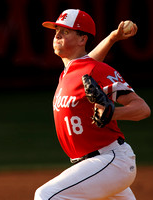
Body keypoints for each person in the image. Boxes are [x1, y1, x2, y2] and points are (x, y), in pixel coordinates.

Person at [34, 9, 150, 200]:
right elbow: (87, 62)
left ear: (82, 39)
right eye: (56, 29)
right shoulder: (70, 72)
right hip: (93, 166)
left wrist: (113, 113)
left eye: (65, 30)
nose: (57, 34)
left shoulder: (96, 70)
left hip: (111, 160)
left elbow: (143, 109)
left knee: (46, 195)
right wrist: (112, 38)